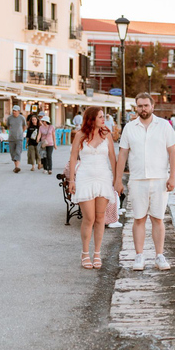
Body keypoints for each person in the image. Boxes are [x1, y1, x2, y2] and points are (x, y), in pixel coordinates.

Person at [114, 92, 175, 271]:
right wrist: (118, 180)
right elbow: (122, 155)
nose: (143, 109)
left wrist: (172, 176)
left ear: (152, 107)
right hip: (137, 180)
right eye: (140, 106)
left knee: (158, 219)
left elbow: (172, 153)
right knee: (139, 218)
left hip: (160, 180)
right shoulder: (129, 127)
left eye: (146, 105)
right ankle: (139, 256)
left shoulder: (164, 126)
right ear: (136, 107)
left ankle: (159, 256)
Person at [68, 107, 117, 270]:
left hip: (103, 177)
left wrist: (116, 179)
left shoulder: (107, 134)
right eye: (100, 117)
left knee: (100, 218)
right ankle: (84, 253)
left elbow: (112, 158)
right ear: (91, 119)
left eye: (104, 116)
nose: (104, 119)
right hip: (85, 178)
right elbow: (73, 157)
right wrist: (71, 180)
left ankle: (97, 253)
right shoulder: (80, 135)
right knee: (89, 218)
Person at [6, 105, 26, 173]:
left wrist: (21, 132)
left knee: (18, 152)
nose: (14, 112)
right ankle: (16, 166)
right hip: (11, 138)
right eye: (13, 111)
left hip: (19, 138)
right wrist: (12, 131)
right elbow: (8, 126)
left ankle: (17, 167)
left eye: (15, 111)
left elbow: (24, 126)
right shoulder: (9, 118)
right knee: (12, 153)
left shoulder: (22, 118)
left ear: (18, 111)